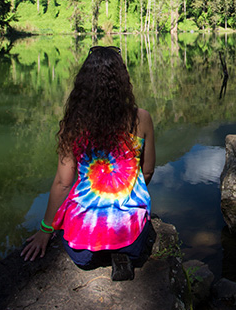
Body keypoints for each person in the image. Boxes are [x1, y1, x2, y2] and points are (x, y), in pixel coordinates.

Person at [21, 45, 156, 281]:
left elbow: (63, 183)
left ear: (83, 85)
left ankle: (96, 252)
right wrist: (132, 191)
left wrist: (45, 230)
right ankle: (122, 252)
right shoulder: (141, 118)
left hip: (84, 239)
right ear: (122, 81)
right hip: (129, 229)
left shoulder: (72, 124)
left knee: (80, 253)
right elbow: (148, 170)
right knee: (138, 232)